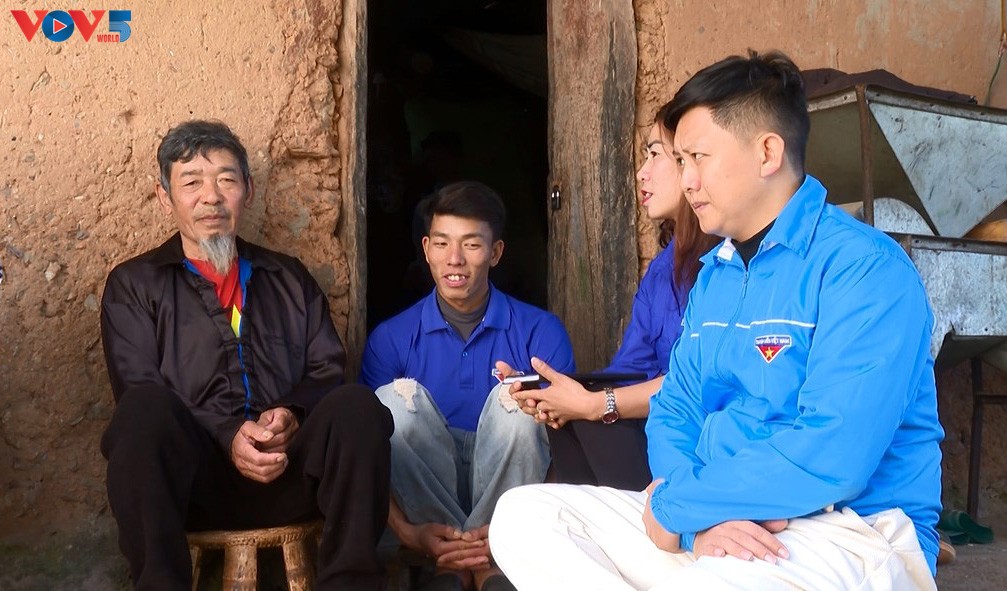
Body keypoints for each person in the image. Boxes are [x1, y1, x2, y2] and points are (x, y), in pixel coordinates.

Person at [490, 50, 944, 590]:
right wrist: (693, 523)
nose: (687, 181)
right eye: (680, 161)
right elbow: (677, 407)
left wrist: (677, 508)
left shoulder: (863, 269)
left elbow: (834, 453)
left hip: (847, 531)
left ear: (767, 152)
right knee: (524, 517)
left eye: (697, 158)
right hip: (712, 519)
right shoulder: (717, 275)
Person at [100, 120, 393, 590]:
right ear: (164, 197)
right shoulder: (135, 284)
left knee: (358, 407)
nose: (211, 197)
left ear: (248, 191)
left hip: (290, 473)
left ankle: (350, 584)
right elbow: (138, 384)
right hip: (196, 485)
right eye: (191, 183)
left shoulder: (288, 277)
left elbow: (327, 370)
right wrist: (226, 432)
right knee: (141, 412)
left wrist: (292, 413)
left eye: (226, 180)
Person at [360, 180, 575, 591]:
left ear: (495, 252)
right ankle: (463, 560)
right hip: (421, 503)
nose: (454, 259)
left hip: (511, 507)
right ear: (426, 249)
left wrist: (518, 530)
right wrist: (407, 532)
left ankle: (474, 563)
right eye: (442, 244)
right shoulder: (391, 339)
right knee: (392, 404)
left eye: (472, 245)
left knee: (518, 402)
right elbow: (365, 454)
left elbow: (567, 443)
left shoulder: (540, 332)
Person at [511, 107, 719, 491]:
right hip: (660, 423)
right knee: (572, 414)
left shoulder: (725, 263)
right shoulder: (661, 270)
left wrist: (597, 404)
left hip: (700, 437)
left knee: (596, 417)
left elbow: (698, 381)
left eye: (654, 154)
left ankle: (649, 520)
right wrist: (554, 392)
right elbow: (630, 369)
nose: (641, 172)